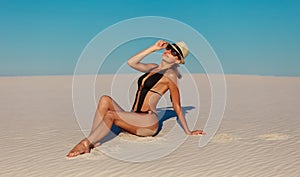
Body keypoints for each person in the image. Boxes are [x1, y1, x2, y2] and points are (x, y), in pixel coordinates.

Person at [67, 40, 206, 158]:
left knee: (110, 115)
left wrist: (188, 131)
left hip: (148, 122)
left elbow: (176, 105)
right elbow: (131, 62)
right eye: (169, 48)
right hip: (134, 116)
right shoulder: (153, 67)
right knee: (105, 99)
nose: (169, 51)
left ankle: (85, 143)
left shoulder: (171, 76)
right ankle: (93, 139)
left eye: (174, 52)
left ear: (178, 60)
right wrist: (154, 48)